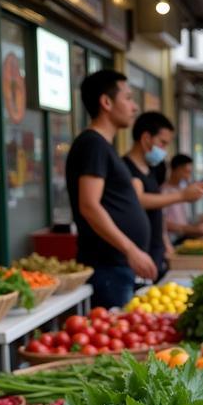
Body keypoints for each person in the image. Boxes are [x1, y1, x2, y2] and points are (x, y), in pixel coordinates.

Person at [65, 70, 157, 308]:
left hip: (117, 268)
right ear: (106, 102)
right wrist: (131, 250)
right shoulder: (93, 144)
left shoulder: (102, 145)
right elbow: (89, 205)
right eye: (128, 98)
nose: (134, 107)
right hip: (108, 268)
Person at [124, 111, 203, 279]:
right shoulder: (125, 168)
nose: (164, 151)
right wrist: (182, 195)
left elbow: (158, 211)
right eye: (162, 143)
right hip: (136, 257)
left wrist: (165, 243)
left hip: (156, 252)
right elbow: (139, 200)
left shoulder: (153, 169)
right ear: (146, 138)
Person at [162, 154, 203, 241]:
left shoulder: (183, 188)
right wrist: (192, 229)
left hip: (184, 236)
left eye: (190, 172)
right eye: (186, 172)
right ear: (176, 169)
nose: (188, 176)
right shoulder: (164, 191)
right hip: (172, 241)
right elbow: (161, 223)